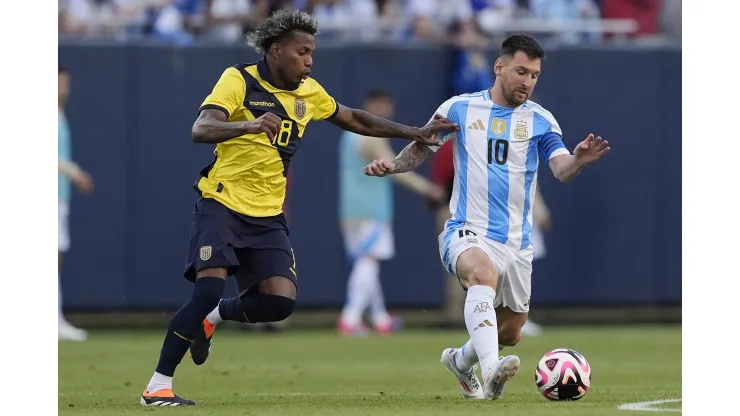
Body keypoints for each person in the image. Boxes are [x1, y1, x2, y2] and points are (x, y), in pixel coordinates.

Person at [140, 9, 457, 407]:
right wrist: (248, 125)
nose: (309, 61)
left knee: (279, 301)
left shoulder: (309, 92)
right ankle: (157, 386)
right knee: (207, 289)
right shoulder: (238, 80)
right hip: (221, 201)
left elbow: (353, 117)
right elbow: (200, 128)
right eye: (302, 52)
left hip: (267, 213)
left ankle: (213, 318)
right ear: (276, 51)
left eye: (312, 53)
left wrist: (414, 131)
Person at [362, 35, 610, 400]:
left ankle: (462, 363)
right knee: (482, 274)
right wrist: (393, 166)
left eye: (535, 75)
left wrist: (577, 160)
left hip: (516, 242)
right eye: (521, 71)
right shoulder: (459, 108)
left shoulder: (541, 120)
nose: (528, 81)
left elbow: (560, 169)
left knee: (510, 333)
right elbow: (421, 147)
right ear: (499, 66)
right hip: (467, 228)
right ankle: (492, 368)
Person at [337, 89, 444, 337]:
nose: (389, 111)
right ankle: (350, 317)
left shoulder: (348, 136)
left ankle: (379, 317)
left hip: (352, 210)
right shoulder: (370, 136)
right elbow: (394, 167)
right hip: (370, 210)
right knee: (369, 261)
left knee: (367, 261)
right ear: (371, 105)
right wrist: (429, 189)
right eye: (384, 105)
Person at [58, 65, 95, 342]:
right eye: (59, 83)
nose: (64, 88)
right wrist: (75, 173)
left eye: (65, 83)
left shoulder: (59, 114)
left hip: (60, 196)